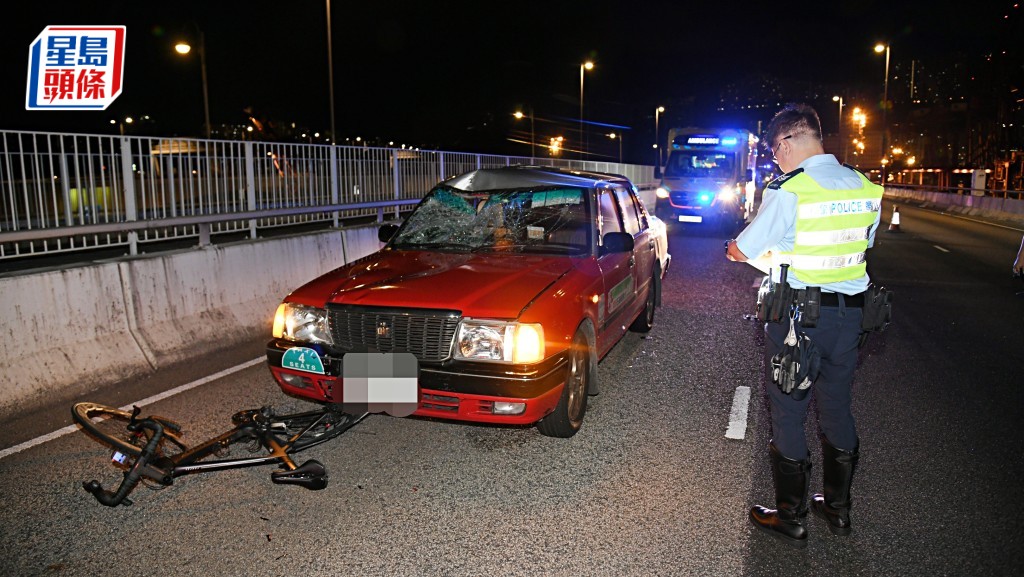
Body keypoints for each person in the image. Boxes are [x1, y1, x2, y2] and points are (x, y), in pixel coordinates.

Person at [725, 103, 884, 548]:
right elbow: (858, 247)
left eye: (776, 151)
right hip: (851, 317)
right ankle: (838, 509)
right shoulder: (865, 185)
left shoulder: (791, 189)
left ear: (790, 141)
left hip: (799, 319)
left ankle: (791, 516)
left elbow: (745, 248)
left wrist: (732, 248)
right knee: (836, 405)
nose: (776, 160)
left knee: (790, 409)